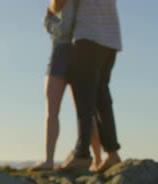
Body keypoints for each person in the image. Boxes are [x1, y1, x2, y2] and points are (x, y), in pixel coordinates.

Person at [51, 0, 123, 172]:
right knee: (101, 96)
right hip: (111, 39)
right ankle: (112, 153)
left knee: (84, 98)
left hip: (88, 37)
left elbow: (58, 4)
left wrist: (50, 8)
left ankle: (82, 153)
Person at [30, 0, 102, 172]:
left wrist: (48, 19)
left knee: (57, 111)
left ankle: (49, 160)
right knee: (84, 112)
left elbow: (62, 29)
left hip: (63, 51)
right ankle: (98, 159)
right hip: (78, 52)